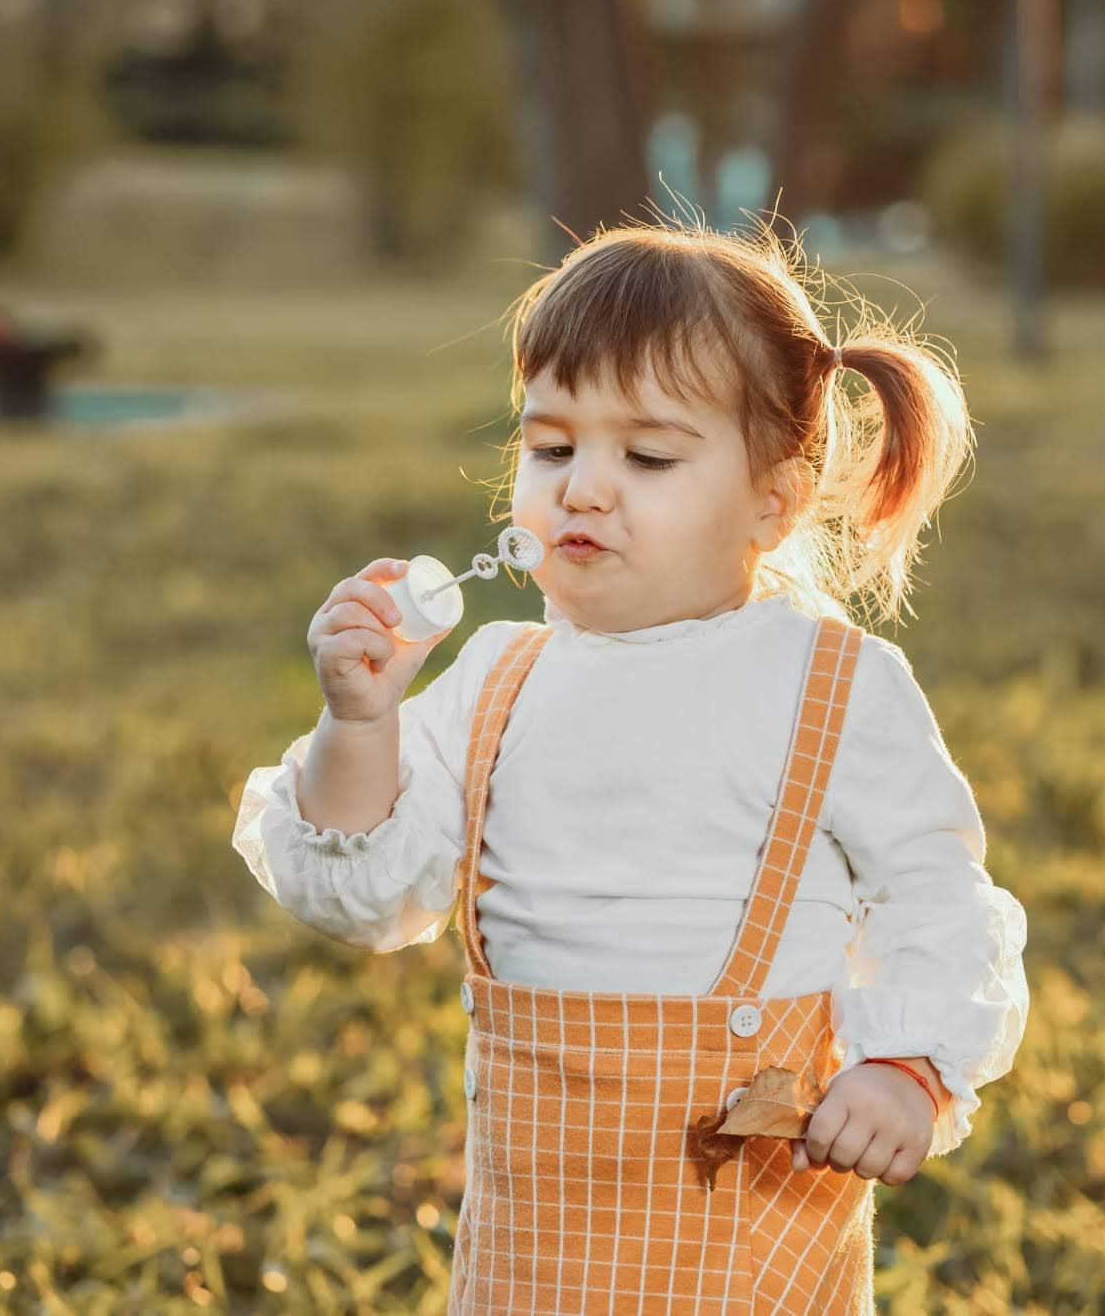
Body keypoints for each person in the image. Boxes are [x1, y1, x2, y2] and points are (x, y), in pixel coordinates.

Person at [232, 218, 1029, 1313]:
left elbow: (934, 898)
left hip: (753, 1218)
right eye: (551, 447)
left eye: (646, 456)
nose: (584, 488)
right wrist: (358, 723)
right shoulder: (496, 678)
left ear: (774, 500)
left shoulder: (831, 683)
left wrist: (908, 1066)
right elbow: (363, 894)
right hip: (537, 1240)